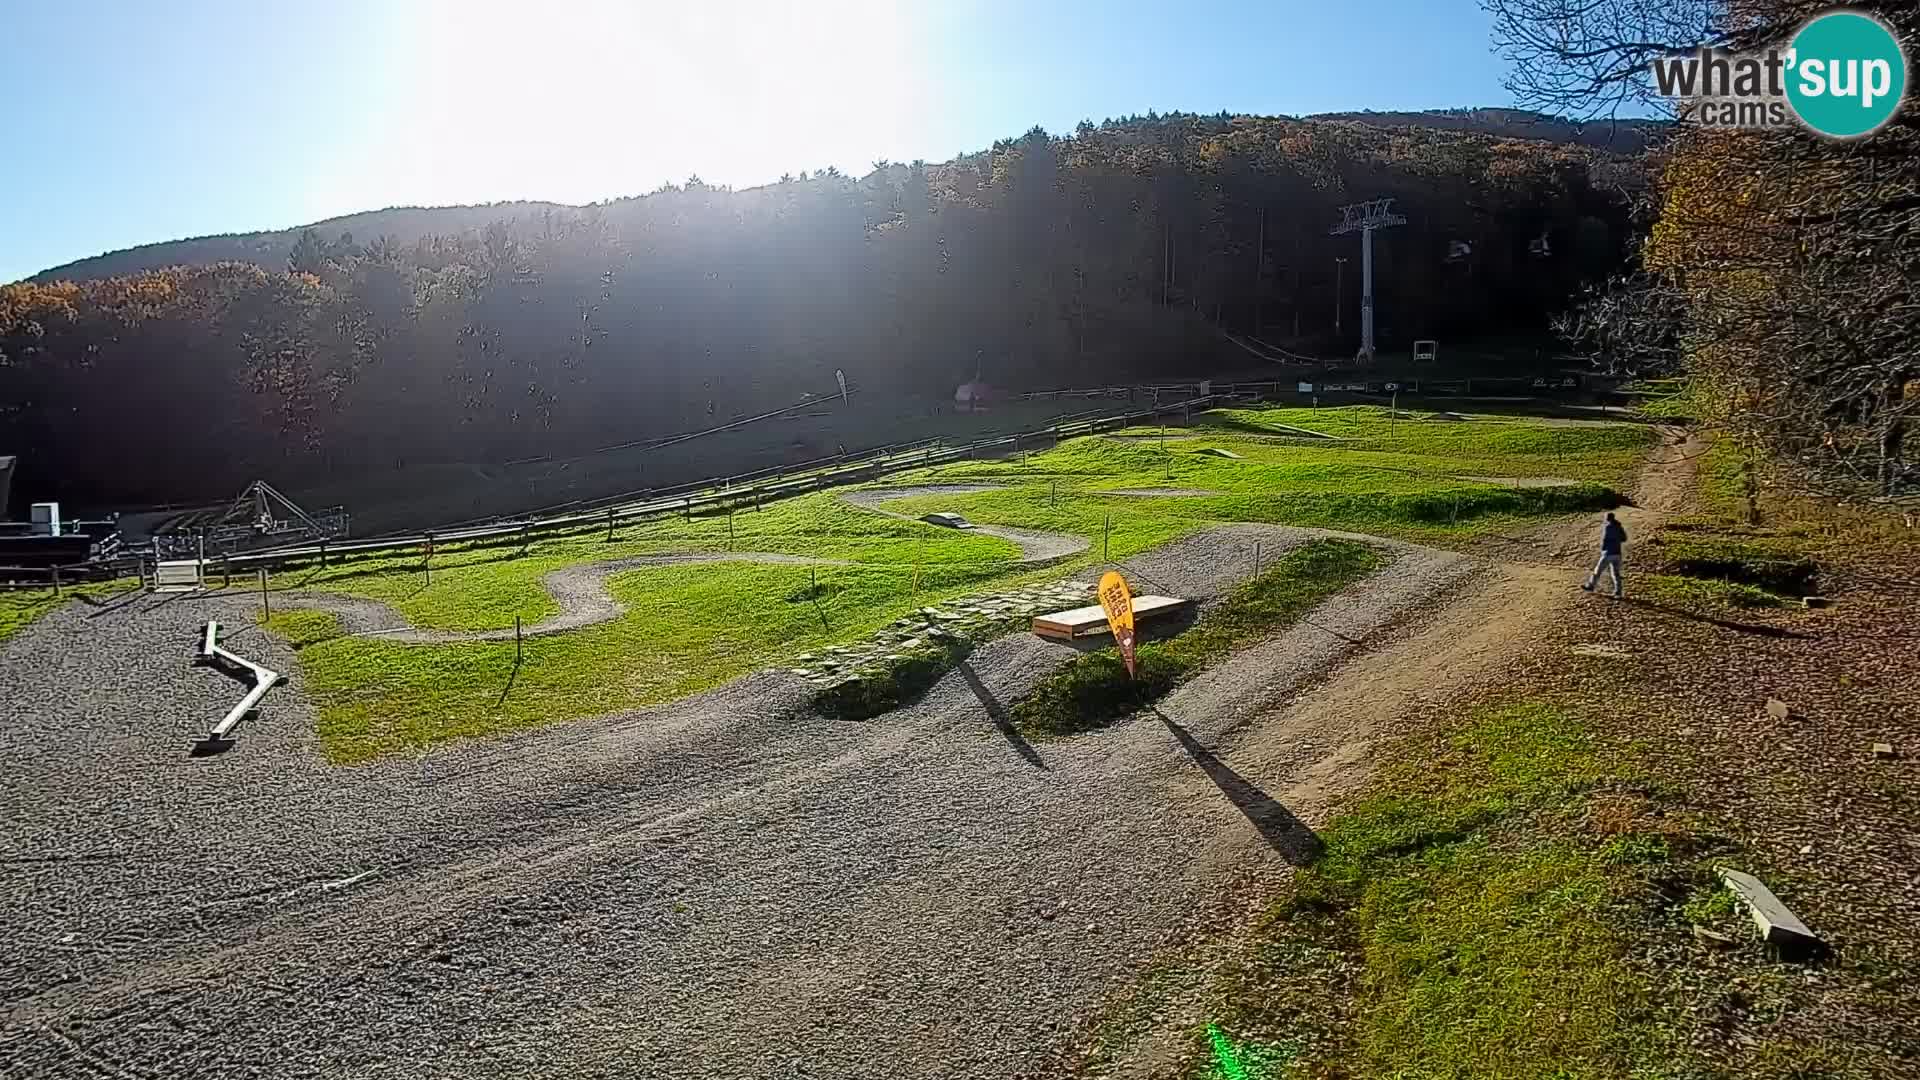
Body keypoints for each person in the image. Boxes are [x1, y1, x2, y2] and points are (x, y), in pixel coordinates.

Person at [1582, 512, 1627, 597]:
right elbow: (1624, 539)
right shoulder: (1619, 527)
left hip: (1608, 553)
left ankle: (1591, 586)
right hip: (1617, 553)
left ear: (1607, 518)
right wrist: (1616, 541)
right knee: (1616, 573)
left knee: (1598, 571)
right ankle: (1618, 592)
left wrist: (1603, 549)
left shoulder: (1608, 527)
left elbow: (1604, 539)